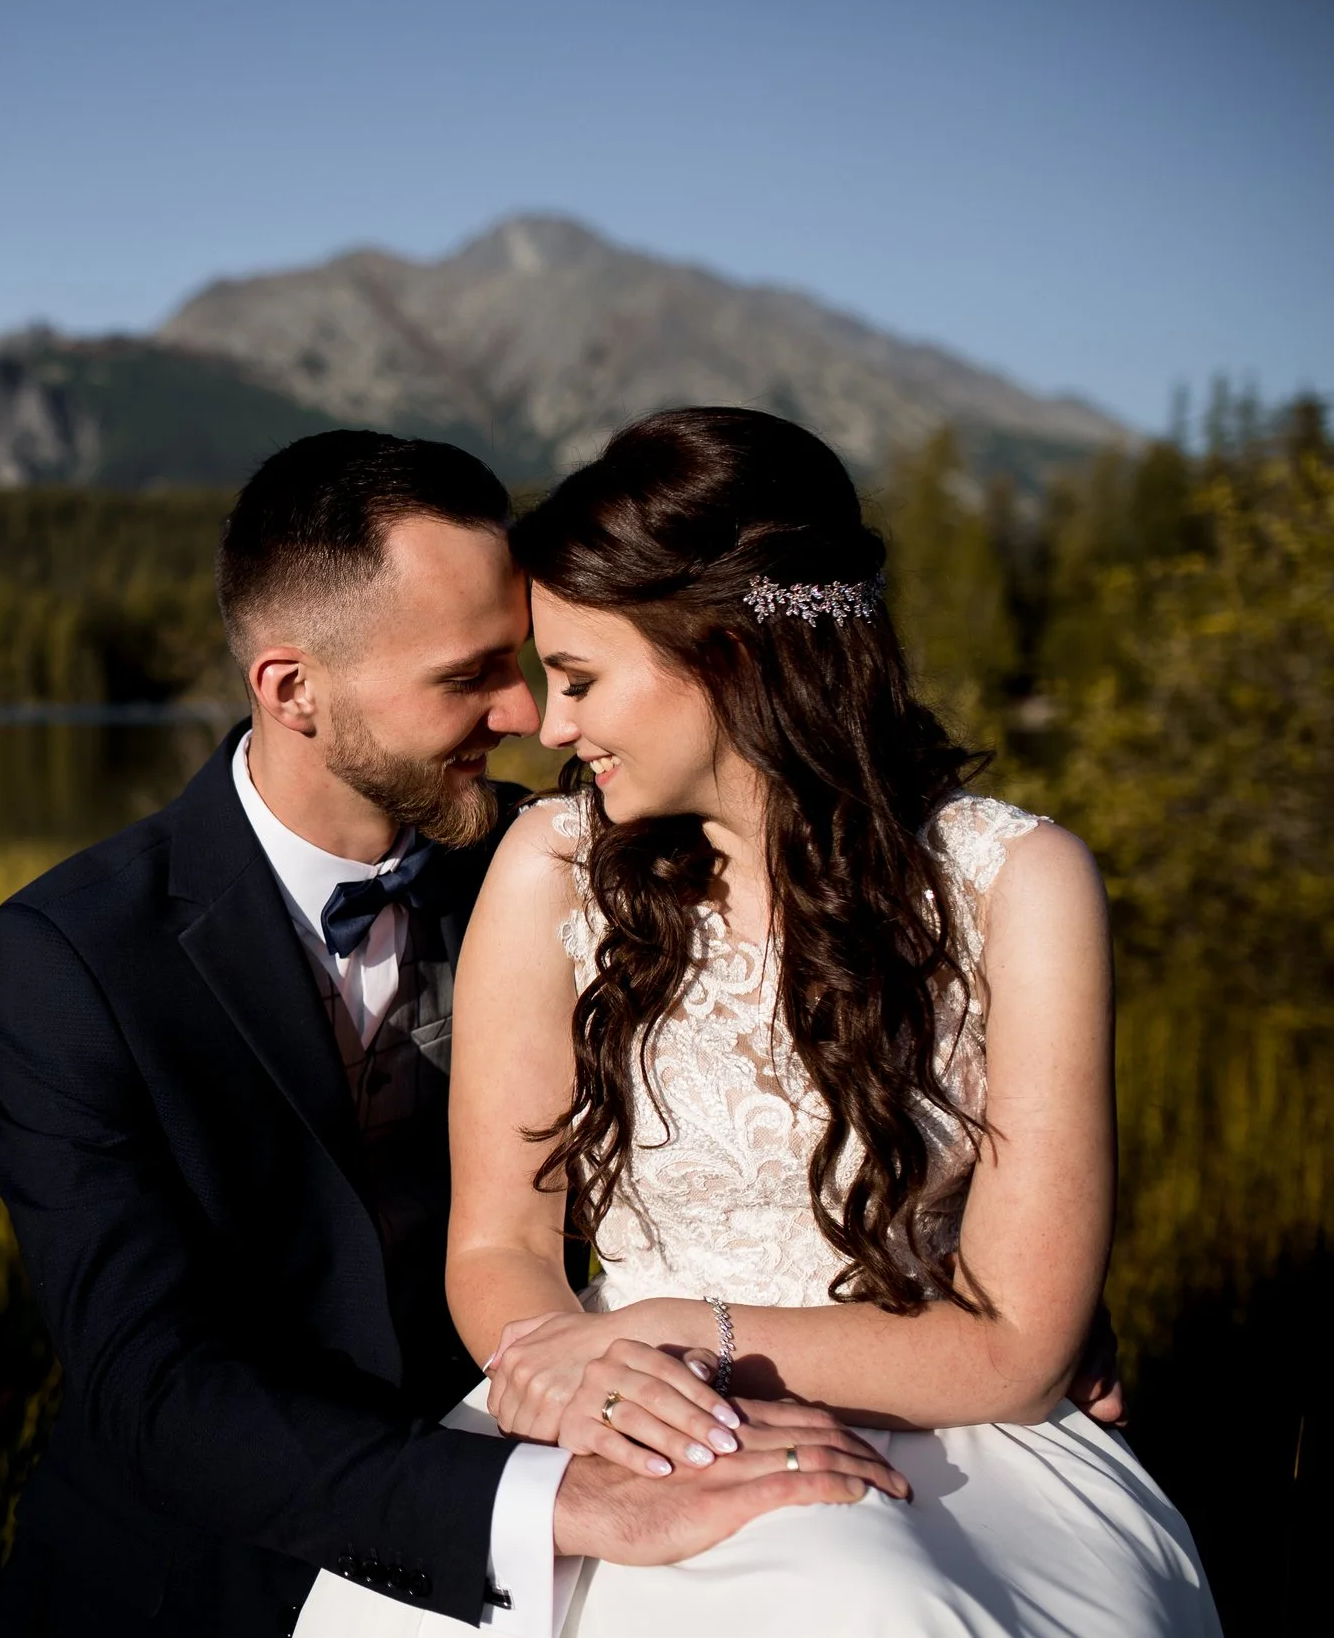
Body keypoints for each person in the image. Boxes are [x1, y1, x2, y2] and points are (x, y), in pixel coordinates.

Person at [297, 408, 1220, 1637]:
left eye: (577, 677)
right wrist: (597, 1378)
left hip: (952, 1441)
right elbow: (500, 1244)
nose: (551, 725)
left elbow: (1017, 1347)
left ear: (728, 655)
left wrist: (688, 1328)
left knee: (871, 1603)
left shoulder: (1020, 882)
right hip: (616, 1406)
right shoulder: (551, 863)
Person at [0, 430, 918, 1638]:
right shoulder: (71, 952)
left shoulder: (575, 870)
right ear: (291, 688)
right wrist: (555, 1500)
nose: (525, 713)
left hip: (570, 1516)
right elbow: (150, 1381)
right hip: (202, 1576)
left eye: (524, 661)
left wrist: (959, 1284)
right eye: (467, 676)